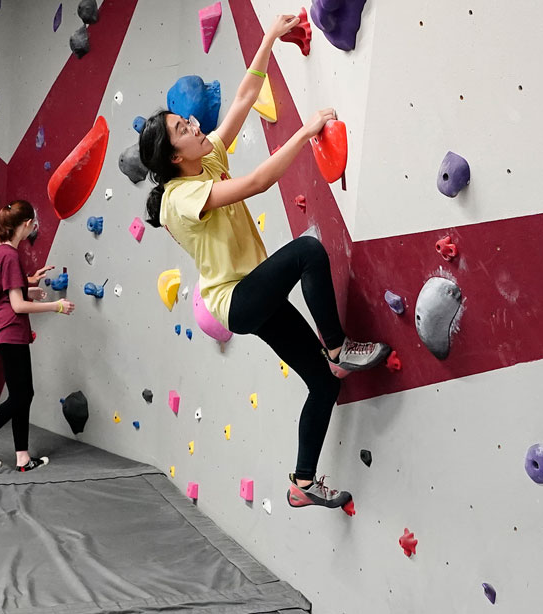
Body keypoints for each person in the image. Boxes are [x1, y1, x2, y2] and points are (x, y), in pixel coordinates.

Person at [137, 14, 390, 511]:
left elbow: (243, 101)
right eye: (182, 128)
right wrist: (306, 132)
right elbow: (254, 184)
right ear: (173, 157)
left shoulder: (204, 157)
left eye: (185, 120)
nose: (193, 125)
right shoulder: (178, 197)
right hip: (235, 299)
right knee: (308, 252)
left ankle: (301, 482)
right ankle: (337, 348)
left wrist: (271, 37)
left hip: (252, 290)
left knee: (320, 385)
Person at [0, 200, 71, 471]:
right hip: (10, 331)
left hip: (5, 331)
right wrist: (56, 306)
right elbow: (17, 306)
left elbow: (6, 294)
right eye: (32, 223)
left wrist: (28, 286)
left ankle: (22, 457)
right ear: (25, 225)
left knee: (23, 394)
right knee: (21, 396)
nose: (33, 227)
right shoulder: (10, 255)